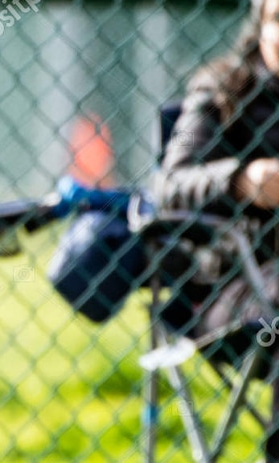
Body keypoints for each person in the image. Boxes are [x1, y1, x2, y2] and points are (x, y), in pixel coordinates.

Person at [154, 0, 279, 458]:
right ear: (259, 26)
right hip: (233, 286)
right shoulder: (226, 88)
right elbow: (169, 187)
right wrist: (242, 180)